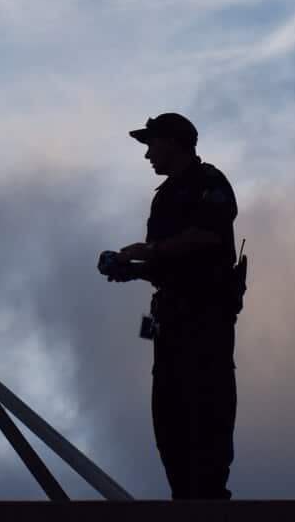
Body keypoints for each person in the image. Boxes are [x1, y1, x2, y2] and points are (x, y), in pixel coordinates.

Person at [101, 113, 243, 500]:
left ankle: (209, 499)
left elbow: (206, 239)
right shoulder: (165, 196)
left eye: (152, 143)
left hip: (204, 320)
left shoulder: (209, 183)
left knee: (207, 411)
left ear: (173, 142)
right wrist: (134, 271)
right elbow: (168, 264)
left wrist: (146, 252)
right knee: (169, 418)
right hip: (171, 324)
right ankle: (185, 500)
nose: (147, 154)